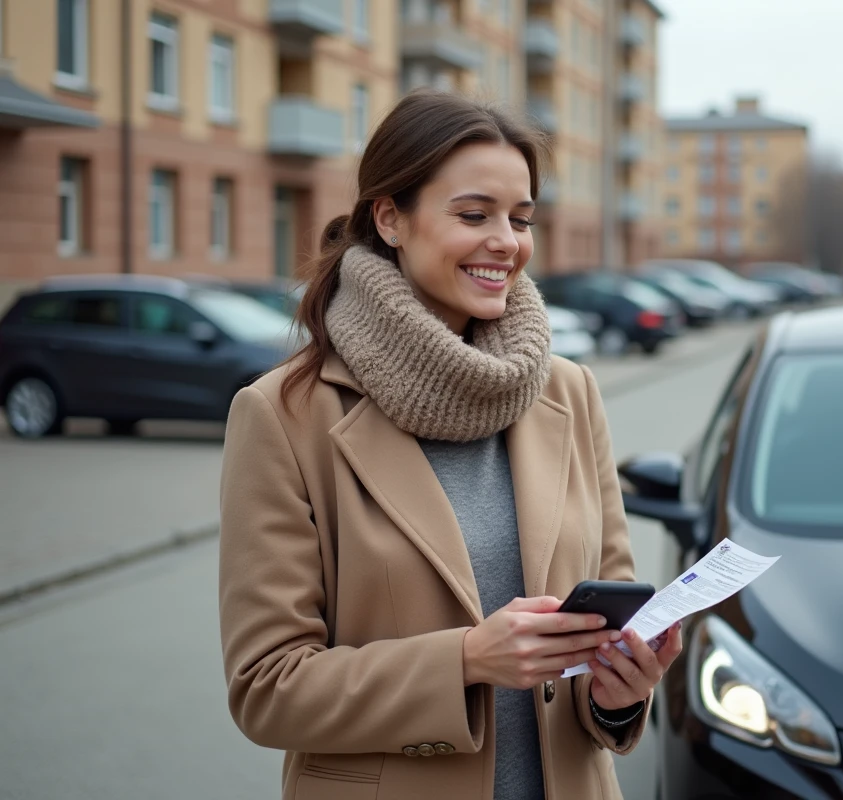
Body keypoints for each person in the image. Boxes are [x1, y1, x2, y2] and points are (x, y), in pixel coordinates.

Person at [217, 90, 683, 800]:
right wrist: (465, 660)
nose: (507, 241)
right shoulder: (282, 415)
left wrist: (620, 691)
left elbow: (599, 637)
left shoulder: (569, 392)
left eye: (520, 219)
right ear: (390, 217)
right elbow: (268, 689)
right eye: (475, 214)